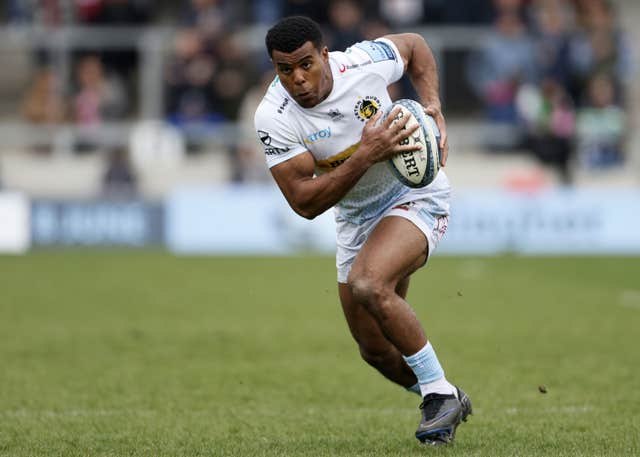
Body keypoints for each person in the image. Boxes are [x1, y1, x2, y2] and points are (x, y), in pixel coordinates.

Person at [254, 16, 471, 445]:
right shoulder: (274, 116)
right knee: (374, 350)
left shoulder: (363, 63)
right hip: (354, 218)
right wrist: (367, 153)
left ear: (325, 55)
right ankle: (443, 392)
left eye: (306, 64)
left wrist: (433, 106)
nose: (298, 79)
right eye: (285, 69)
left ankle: (437, 394)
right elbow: (305, 202)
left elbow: (414, 46)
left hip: (414, 195)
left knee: (369, 284)